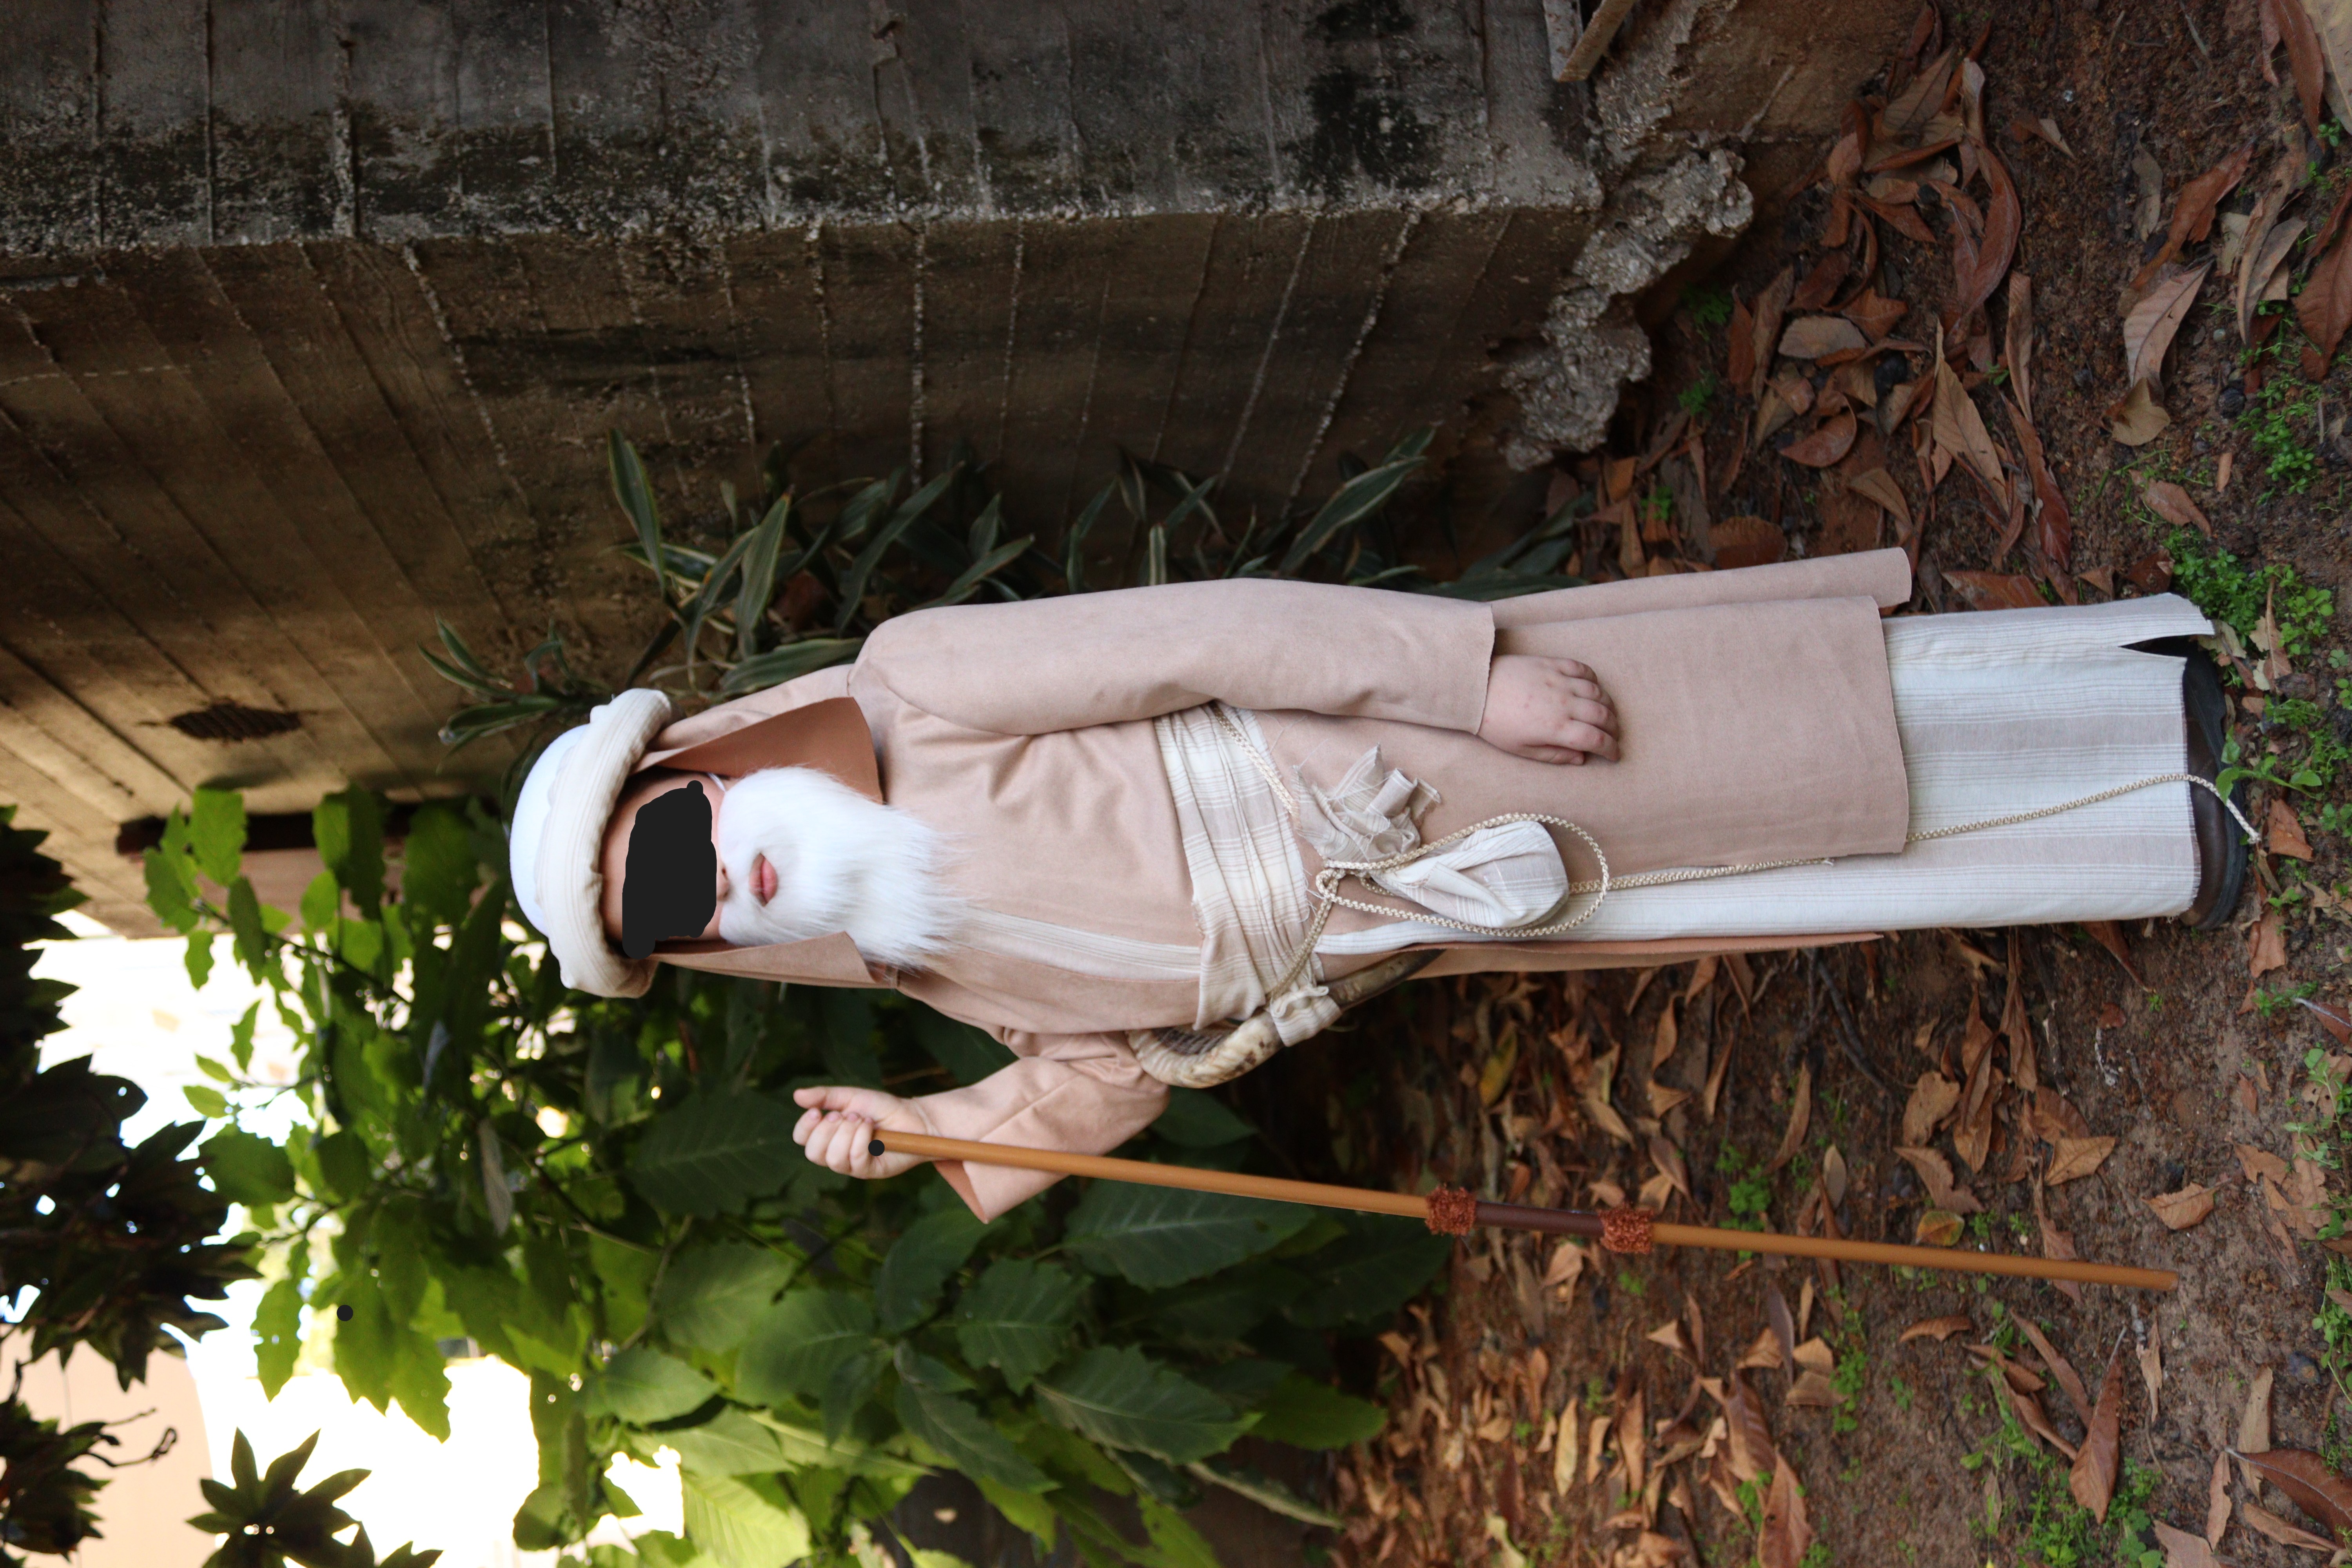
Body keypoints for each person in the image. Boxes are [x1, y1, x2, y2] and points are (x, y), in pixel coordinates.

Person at [506, 548, 2245, 1222]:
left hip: (1399, 767)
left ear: (706, 768)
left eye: (678, 840)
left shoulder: (917, 683)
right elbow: (1117, 1076)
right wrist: (938, 1124)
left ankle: (2138, 708)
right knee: (1764, 859)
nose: (715, 882)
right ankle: (2160, 840)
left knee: (1748, 743)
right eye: (678, 914)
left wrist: (1462, 681)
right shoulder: (930, 962)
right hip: (1429, 911)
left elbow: (1206, 632)